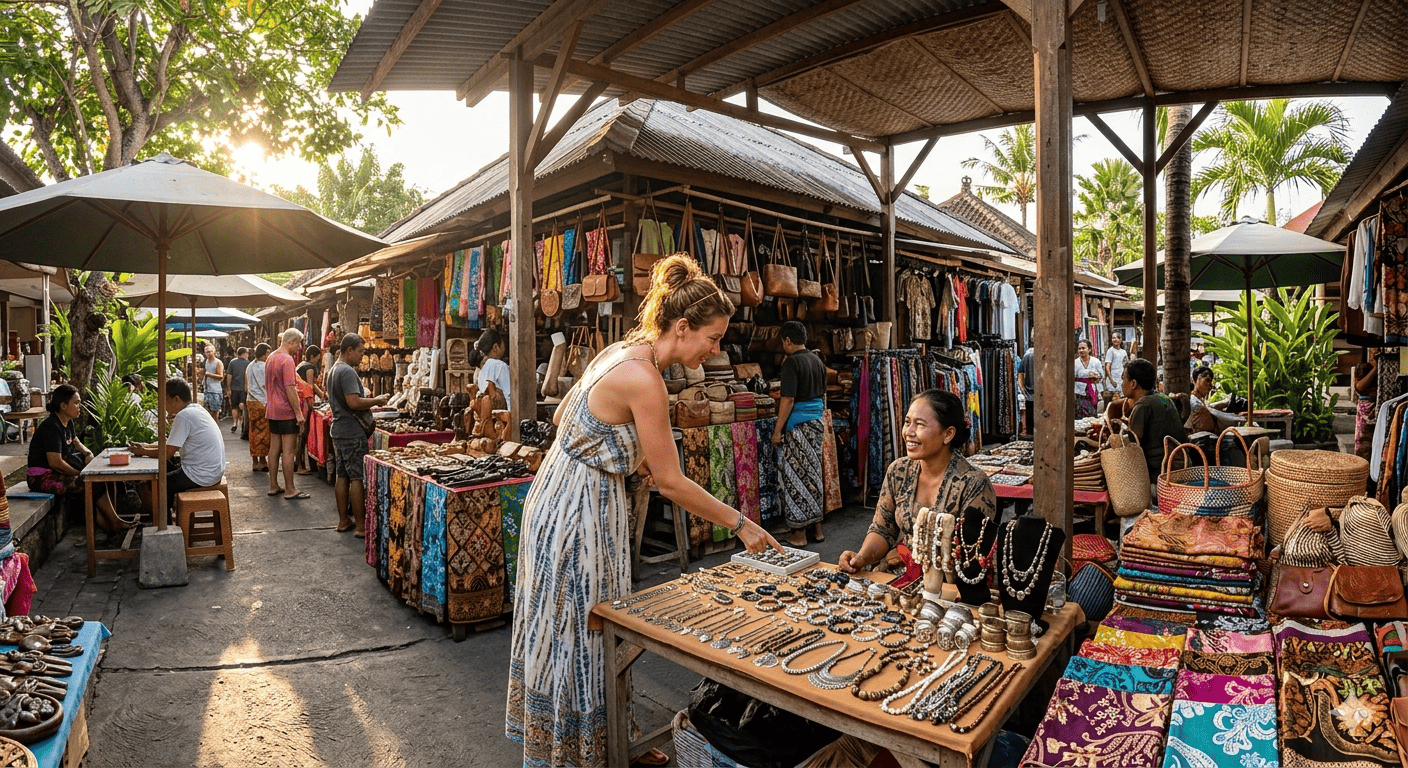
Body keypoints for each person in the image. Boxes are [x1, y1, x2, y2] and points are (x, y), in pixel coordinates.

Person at [506, 255, 781, 768]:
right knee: (587, 627)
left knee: (577, 624)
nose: (715, 350)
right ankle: (582, 750)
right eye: (713, 339)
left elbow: (566, 416)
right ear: (683, 327)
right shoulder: (645, 378)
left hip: (562, 493)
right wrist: (742, 524)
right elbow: (672, 482)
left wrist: (625, 456)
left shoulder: (620, 351)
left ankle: (609, 735)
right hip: (580, 510)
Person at [838, 389, 996, 574]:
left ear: (948, 434)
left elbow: (972, 556)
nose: (908, 432)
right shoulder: (898, 471)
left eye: (920, 424)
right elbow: (883, 529)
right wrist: (861, 558)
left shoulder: (974, 485)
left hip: (952, 581)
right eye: (907, 422)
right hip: (900, 572)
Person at [27, 385, 134, 533]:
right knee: (92, 483)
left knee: (100, 481)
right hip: (42, 478)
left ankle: (110, 526)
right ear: (63, 405)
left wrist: (87, 452)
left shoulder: (67, 422)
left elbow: (75, 441)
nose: (80, 407)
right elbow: (55, 462)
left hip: (56, 473)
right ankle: (113, 523)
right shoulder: (52, 427)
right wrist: (80, 474)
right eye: (76, 403)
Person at [130, 378, 227, 518]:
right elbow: (171, 443)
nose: (163, 404)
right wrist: (146, 446)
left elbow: (167, 453)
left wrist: (143, 451)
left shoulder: (184, 416)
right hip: (212, 471)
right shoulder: (196, 409)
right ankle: (167, 514)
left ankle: (164, 522)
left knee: (148, 486)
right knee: (164, 472)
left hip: (201, 475)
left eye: (165, 399)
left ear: (176, 399)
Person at [771, 321, 827, 547]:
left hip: (798, 426)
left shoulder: (791, 362)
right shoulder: (817, 360)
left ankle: (799, 534)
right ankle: (818, 530)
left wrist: (777, 431)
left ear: (787, 340)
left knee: (796, 478)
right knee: (813, 474)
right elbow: (822, 396)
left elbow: (788, 399)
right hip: (817, 422)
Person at [327, 334, 387, 537]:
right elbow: (353, 402)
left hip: (339, 429)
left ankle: (344, 520)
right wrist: (376, 400)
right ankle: (361, 526)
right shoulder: (347, 371)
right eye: (360, 351)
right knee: (356, 477)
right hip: (351, 431)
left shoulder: (334, 369)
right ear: (349, 350)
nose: (362, 355)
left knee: (342, 475)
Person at [1121, 357, 1188, 484]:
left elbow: (1132, 446)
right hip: (1181, 467)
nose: (1122, 384)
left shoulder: (1143, 405)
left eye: (1123, 379)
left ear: (1133, 384)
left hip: (1160, 475)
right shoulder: (1164, 398)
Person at [265, 329, 307, 500]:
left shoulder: (271, 357)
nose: (299, 347)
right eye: (298, 343)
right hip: (286, 410)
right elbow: (290, 388)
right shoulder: (287, 359)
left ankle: (273, 485)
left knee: (274, 449)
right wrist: (298, 413)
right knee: (288, 451)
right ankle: (290, 489)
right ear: (290, 342)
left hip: (272, 409)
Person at [294, 345, 323, 476]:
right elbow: (310, 386)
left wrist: (321, 394)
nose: (318, 360)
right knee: (302, 434)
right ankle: (300, 465)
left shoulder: (301, 365)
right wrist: (313, 403)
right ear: (312, 356)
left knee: (299, 435)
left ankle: (299, 463)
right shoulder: (310, 367)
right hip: (304, 402)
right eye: (317, 357)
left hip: (298, 400)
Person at [246, 344, 271, 473]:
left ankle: (255, 461)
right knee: (264, 432)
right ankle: (262, 460)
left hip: (250, 401)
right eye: (267, 353)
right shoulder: (264, 366)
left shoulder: (250, 366)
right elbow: (267, 385)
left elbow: (246, 385)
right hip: (262, 401)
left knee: (253, 430)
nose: (268, 355)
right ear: (263, 353)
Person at [472, 329, 511, 402]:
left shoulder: (480, 370)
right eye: (502, 344)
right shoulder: (500, 366)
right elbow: (509, 394)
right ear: (495, 347)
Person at [1354, 349, 1379, 461]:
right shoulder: (1367, 371)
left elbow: (1359, 386)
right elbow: (1359, 387)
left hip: (1372, 406)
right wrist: (1376, 368)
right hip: (1368, 406)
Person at [1073, 339, 1102, 418]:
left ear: (1089, 349)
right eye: (1079, 348)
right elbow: (1072, 376)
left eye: (1083, 348)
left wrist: (1095, 376)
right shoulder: (1075, 363)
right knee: (1080, 414)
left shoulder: (1096, 362)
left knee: (1092, 414)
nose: (1081, 350)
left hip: (1092, 392)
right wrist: (1087, 374)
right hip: (1079, 393)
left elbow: (1101, 376)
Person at [227, 347, 250, 436]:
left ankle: (234, 423)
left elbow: (229, 375)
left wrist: (228, 388)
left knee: (234, 407)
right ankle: (243, 422)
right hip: (244, 389)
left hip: (234, 388)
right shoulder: (248, 363)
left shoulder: (232, 362)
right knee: (243, 406)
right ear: (244, 354)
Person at [1102, 333, 1128, 407]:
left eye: (1117, 338)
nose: (1115, 339)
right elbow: (1107, 367)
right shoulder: (1111, 351)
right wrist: (1111, 380)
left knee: (1121, 400)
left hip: (1121, 378)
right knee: (1111, 401)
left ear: (1120, 340)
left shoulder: (1123, 352)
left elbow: (1126, 364)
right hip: (1113, 378)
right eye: (1113, 338)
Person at [200, 345, 224, 422]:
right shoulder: (206, 362)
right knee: (207, 411)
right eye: (206, 352)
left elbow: (221, 376)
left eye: (209, 352)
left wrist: (209, 374)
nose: (208, 353)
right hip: (207, 390)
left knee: (215, 412)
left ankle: (216, 426)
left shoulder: (218, 362)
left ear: (213, 351)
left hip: (215, 390)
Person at [1017, 343, 1035, 435]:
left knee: (1030, 424)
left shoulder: (1027, 355)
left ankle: (1031, 438)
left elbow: (1020, 374)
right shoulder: (1044, 356)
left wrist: (1023, 389)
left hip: (1029, 394)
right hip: (1042, 395)